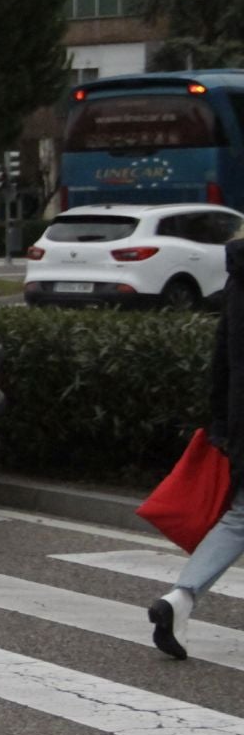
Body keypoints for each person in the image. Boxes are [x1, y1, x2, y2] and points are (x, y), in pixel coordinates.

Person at [151, 238, 244, 659]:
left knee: (239, 518)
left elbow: (223, 356)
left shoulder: (239, 277)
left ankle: (181, 598)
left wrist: (222, 425)